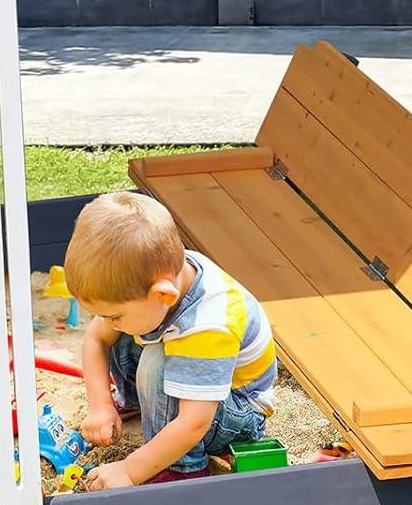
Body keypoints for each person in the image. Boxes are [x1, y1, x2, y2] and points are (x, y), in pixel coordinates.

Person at [62, 191, 275, 488]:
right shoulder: (152, 279)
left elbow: (194, 423)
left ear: (163, 294)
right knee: (123, 336)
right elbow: (96, 339)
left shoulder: (208, 325)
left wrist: (130, 470)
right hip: (193, 384)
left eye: (113, 315)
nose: (107, 322)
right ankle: (143, 406)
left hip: (234, 410)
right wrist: (100, 405)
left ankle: (180, 468)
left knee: (155, 361)